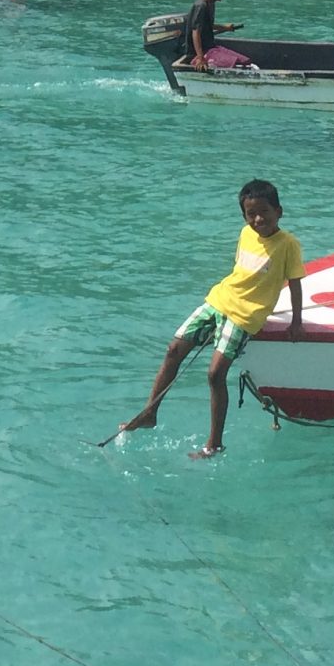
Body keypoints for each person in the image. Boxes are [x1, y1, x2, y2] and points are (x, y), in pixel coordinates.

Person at [112, 179, 304, 459]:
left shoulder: (288, 244)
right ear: (244, 216)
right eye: (251, 214)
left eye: (264, 212)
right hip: (220, 300)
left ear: (279, 211)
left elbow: (296, 284)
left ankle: (214, 444)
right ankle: (149, 413)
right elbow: (241, 272)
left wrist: (295, 322)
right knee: (173, 350)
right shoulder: (245, 234)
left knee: (215, 374)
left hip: (246, 315)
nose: (258, 219)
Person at [182, 0, 250, 69]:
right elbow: (195, 32)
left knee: (245, 62)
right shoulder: (201, 6)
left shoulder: (211, 3)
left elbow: (207, 26)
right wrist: (200, 58)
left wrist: (225, 28)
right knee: (235, 64)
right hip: (200, 53)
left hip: (211, 48)